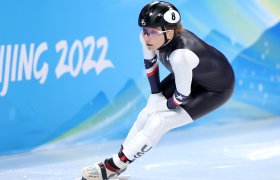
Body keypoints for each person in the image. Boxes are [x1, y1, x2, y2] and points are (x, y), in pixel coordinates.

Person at [81, 1, 235, 179]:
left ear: (169, 32)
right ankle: (120, 161)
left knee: (160, 121)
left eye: (153, 32)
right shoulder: (150, 39)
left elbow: (182, 96)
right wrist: (156, 95)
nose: (146, 38)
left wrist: (167, 105)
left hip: (216, 89)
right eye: (145, 31)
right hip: (190, 76)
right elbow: (150, 65)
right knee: (146, 113)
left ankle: (114, 165)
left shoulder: (181, 56)